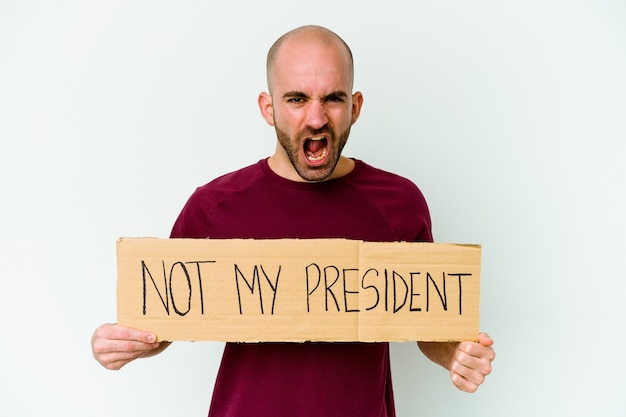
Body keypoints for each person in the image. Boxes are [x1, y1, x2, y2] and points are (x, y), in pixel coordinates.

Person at [92, 25, 495, 417]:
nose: (316, 119)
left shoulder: (399, 203)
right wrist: (126, 342)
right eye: (297, 99)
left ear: (354, 107)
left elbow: (428, 323)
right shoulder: (213, 206)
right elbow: (165, 316)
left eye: (333, 99)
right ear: (269, 108)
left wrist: (456, 355)